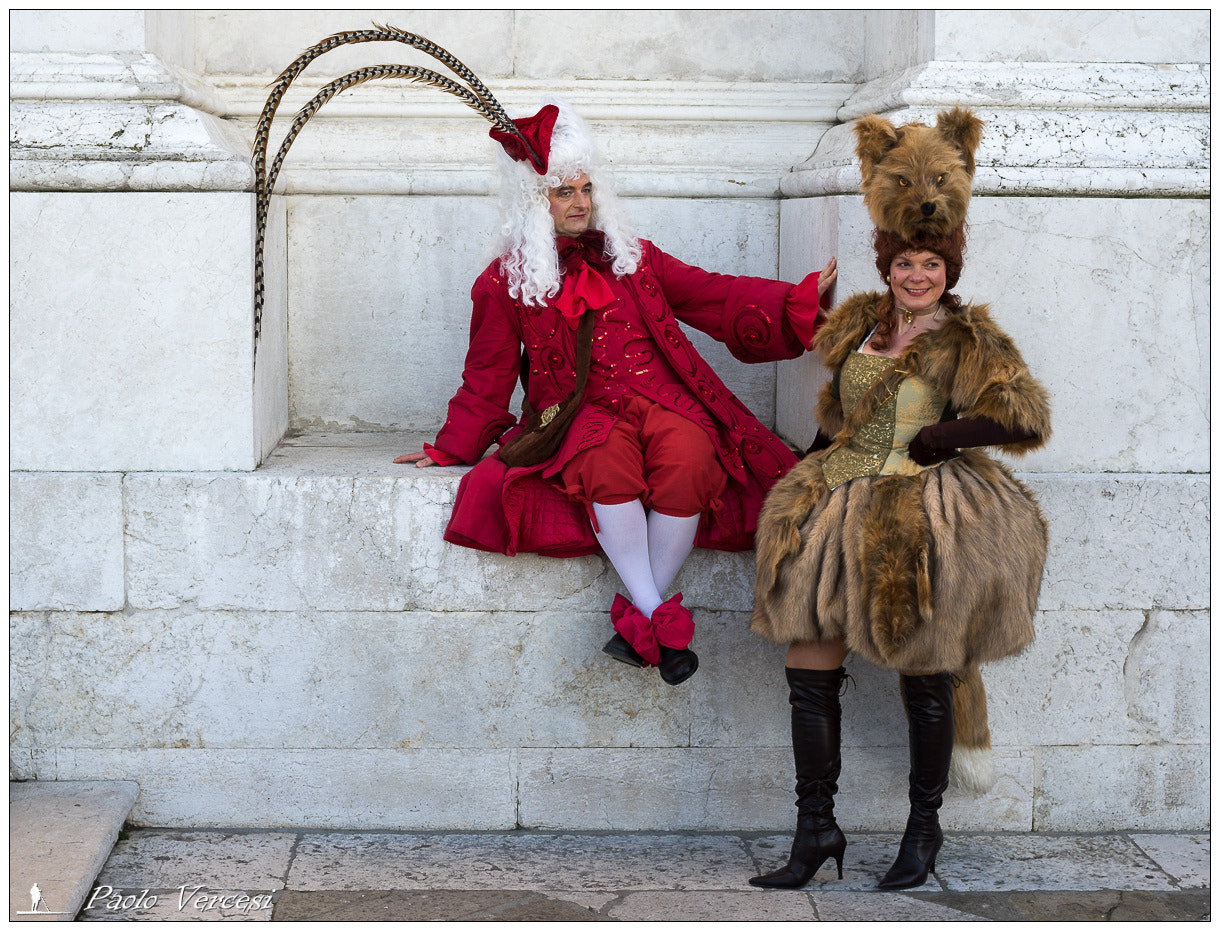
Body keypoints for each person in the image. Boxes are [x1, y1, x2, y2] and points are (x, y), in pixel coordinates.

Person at [397, 97, 837, 686]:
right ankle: (657, 615)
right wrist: (451, 446)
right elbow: (487, 372)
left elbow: (711, 293)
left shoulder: (633, 258)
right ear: (535, 201)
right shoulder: (504, 282)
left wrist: (795, 303)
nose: (579, 203)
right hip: (580, 413)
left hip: (665, 399)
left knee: (691, 457)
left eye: (585, 189)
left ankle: (641, 616)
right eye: (563, 192)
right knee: (603, 464)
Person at [748, 225, 1051, 889]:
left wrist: (944, 434)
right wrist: (796, 481)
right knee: (808, 666)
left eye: (932, 263)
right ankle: (816, 828)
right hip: (838, 506)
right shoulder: (863, 325)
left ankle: (923, 827)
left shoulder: (968, 336)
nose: (918, 275)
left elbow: (1026, 417)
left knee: (923, 669)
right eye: (906, 262)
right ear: (887, 268)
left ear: (950, 268)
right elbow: (838, 419)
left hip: (919, 516)